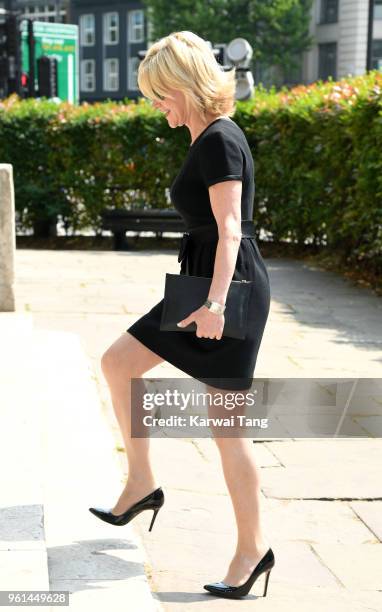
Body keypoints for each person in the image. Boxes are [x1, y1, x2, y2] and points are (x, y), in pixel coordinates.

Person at [89, 30, 275, 599]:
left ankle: (252, 549)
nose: (155, 105)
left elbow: (229, 229)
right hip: (202, 282)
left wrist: (217, 301)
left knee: (227, 429)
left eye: (159, 94)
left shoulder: (220, 140)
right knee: (119, 363)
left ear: (184, 86)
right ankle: (141, 481)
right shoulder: (207, 136)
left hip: (225, 287)